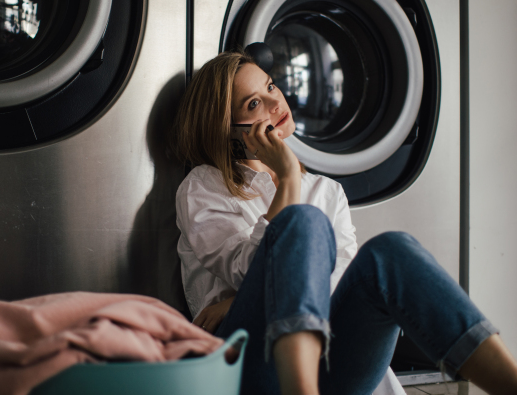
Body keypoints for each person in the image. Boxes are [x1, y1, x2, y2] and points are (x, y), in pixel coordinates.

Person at [173, 50, 517, 395]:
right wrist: (289, 179)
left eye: (271, 87)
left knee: (392, 251)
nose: (275, 102)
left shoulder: (326, 190)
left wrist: (241, 298)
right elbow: (247, 271)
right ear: (227, 129)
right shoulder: (204, 186)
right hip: (243, 364)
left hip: (332, 362)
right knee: (302, 221)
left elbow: (341, 282)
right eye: (252, 104)